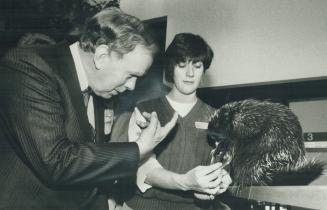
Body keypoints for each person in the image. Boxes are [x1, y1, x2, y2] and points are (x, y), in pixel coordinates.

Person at [0, 7, 178, 210]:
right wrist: (138, 149)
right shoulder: (30, 67)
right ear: (101, 56)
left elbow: (87, 171)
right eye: (131, 75)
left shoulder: (100, 88)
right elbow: (56, 162)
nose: (131, 87)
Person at [111, 33, 232, 210]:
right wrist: (186, 182)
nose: (190, 73)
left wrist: (217, 183)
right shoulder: (144, 110)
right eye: (182, 65)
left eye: (197, 66)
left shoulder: (216, 118)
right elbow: (141, 169)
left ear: (203, 71)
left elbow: (221, 165)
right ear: (170, 68)